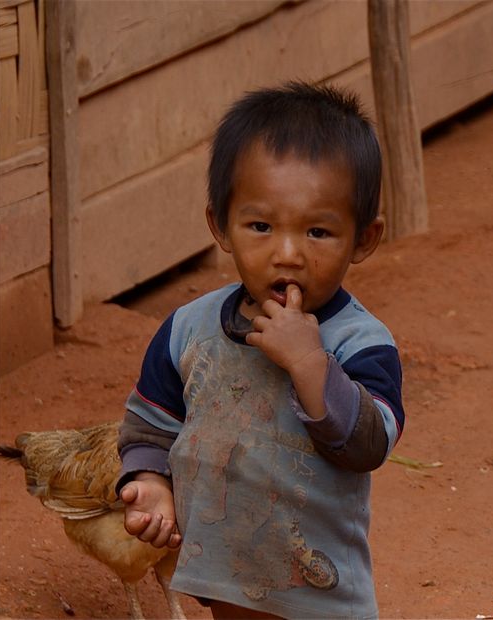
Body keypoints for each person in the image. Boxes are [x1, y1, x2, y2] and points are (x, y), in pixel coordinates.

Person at [116, 82, 403, 619]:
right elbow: (150, 423)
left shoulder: (360, 344)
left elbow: (369, 443)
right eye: (261, 226)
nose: (287, 253)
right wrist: (150, 481)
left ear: (364, 239)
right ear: (220, 227)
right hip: (224, 577)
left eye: (318, 231)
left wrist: (308, 362)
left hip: (320, 590)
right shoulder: (188, 329)